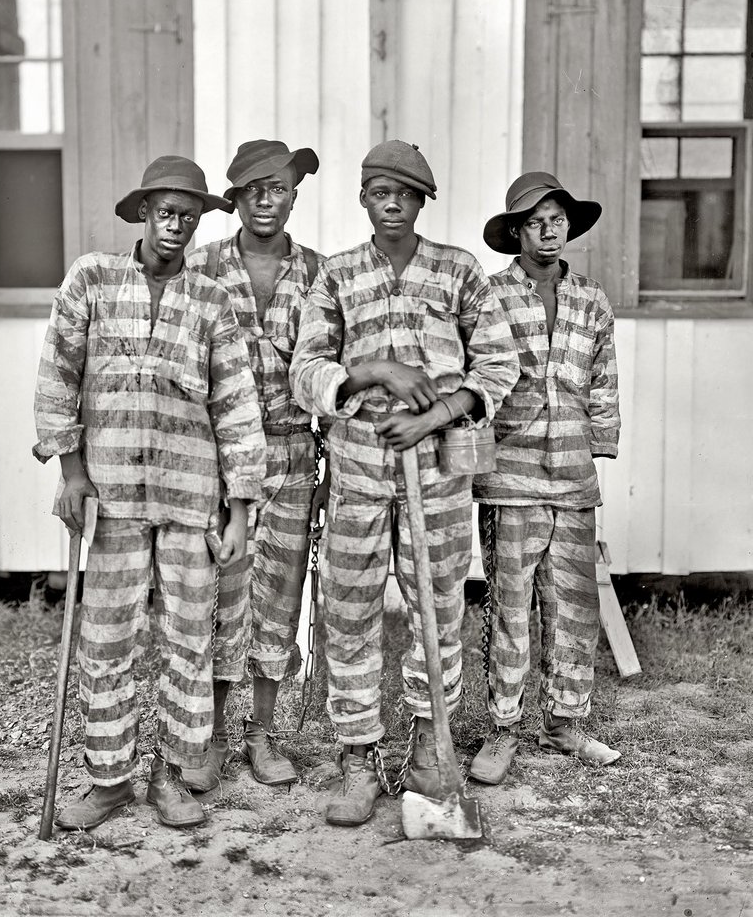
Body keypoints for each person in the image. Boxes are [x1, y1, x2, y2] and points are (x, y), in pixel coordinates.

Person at [290, 140, 519, 826]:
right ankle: (359, 758)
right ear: (363, 198)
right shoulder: (336, 276)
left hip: (439, 474)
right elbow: (306, 370)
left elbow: (499, 364)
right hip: (358, 472)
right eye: (379, 191)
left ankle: (427, 752)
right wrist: (375, 372)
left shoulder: (459, 272)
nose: (392, 203)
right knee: (350, 614)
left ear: (422, 202)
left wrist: (439, 416)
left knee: (437, 609)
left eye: (406, 193)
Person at [33, 155, 266, 830]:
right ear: (142, 212)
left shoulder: (213, 303)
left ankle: (168, 775)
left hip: (190, 498)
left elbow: (237, 408)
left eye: (189, 218)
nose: (176, 226)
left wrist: (241, 509)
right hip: (110, 495)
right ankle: (108, 782)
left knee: (188, 637)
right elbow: (58, 376)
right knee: (107, 639)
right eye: (166, 212)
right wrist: (72, 473)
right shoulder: (93, 280)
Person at [469, 171, 621, 787]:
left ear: (569, 228)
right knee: (509, 607)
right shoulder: (492, 297)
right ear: (517, 233)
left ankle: (566, 722)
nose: (548, 231)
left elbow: (603, 378)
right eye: (535, 222)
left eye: (557, 220)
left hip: (573, 478)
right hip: (510, 476)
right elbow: (475, 379)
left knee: (574, 606)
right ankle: (503, 728)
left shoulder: (591, 299)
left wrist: (600, 441)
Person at [186, 139, 327, 789]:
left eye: (279, 188)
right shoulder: (203, 269)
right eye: (253, 190)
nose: (267, 201)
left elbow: (330, 370)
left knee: (278, 595)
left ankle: (261, 735)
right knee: (221, 594)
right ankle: (210, 735)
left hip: (295, 454)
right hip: (223, 462)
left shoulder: (323, 274)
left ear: (295, 193)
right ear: (235, 199)